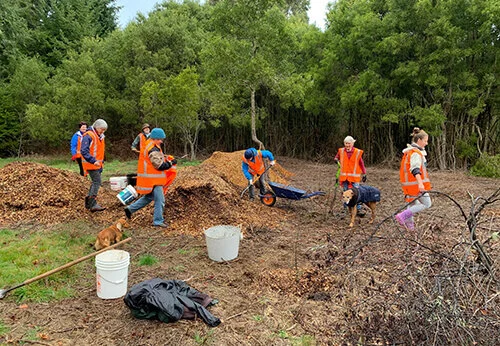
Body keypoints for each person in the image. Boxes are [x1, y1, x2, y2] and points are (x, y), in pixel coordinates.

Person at [124, 128, 177, 228]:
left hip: (151, 179)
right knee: (160, 200)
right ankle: (158, 221)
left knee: (149, 197)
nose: (161, 141)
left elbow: (155, 159)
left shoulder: (150, 145)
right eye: (160, 139)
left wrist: (165, 158)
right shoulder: (152, 148)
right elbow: (159, 165)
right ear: (155, 138)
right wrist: (170, 163)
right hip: (154, 180)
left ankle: (130, 209)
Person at [395, 127, 432, 230]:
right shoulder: (415, 153)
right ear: (419, 140)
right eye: (425, 141)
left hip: (409, 185)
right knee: (427, 203)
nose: (426, 143)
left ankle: (409, 226)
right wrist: (420, 184)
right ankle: (403, 216)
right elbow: (415, 169)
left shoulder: (410, 152)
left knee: (412, 203)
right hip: (416, 185)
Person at [335, 136, 367, 213]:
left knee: (356, 193)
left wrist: (364, 173)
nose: (347, 145)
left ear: (352, 143)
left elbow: (361, 163)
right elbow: (336, 157)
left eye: (349, 143)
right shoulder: (341, 151)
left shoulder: (357, 152)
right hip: (344, 177)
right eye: (346, 143)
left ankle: (358, 208)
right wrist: (336, 160)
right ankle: (346, 207)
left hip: (354, 177)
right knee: (346, 192)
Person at [81, 119, 108, 212]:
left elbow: (100, 150)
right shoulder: (89, 136)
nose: (103, 131)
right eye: (102, 129)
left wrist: (102, 161)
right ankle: (92, 204)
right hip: (91, 164)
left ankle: (89, 203)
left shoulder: (100, 136)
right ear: (97, 127)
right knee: (97, 182)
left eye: (104, 130)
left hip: (98, 164)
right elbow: (84, 151)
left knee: (95, 182)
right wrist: (93, 160)